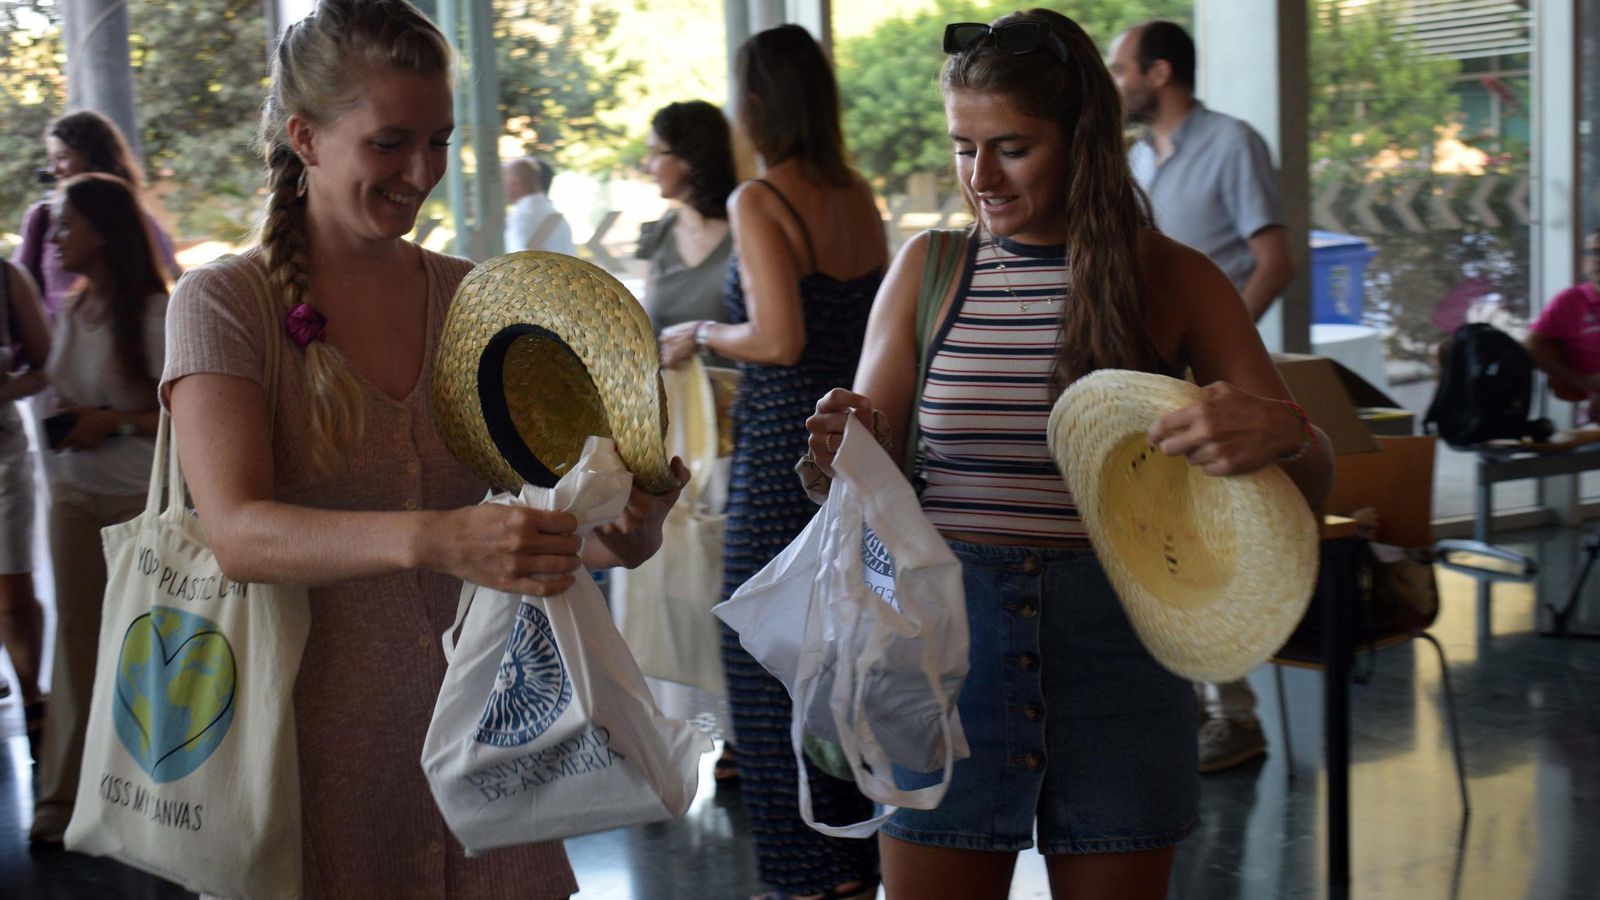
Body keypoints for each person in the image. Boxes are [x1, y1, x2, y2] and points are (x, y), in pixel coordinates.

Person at [803, 11, 1332, 899]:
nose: (981, 177)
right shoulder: (928, 271)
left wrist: (1286, 434)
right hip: (945, 655)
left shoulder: (1174, 277)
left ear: (1083, 139)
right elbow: (865, 487)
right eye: (963, 147)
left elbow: (1307, 489)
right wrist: (835, 453)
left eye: (1010, 147)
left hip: (1121, 654)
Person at [159, 1, 681, 894]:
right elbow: (238, 532)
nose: (421, 172)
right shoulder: (223, 304)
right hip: (314, 754)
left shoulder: (475, 299)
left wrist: (622, 531)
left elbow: (521, 529)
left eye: (438, 141)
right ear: (306, 138)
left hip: (501, 753)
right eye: (391, 142)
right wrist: (435, 537)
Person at [658, 23, 888, 900]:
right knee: (840, 663)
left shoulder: (762, 201)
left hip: (783, 451)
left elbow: (779, 337)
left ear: (758, 103)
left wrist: (700, 332)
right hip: (850, 452)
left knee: (763, 660)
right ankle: (854, 866)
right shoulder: (857, 195)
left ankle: (802, 879)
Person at [1109, 19, 1297, 772]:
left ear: (1158, 73)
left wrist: (1220, 344)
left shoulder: (1233, 142)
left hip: (1210, 391)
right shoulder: (1135, 160)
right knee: (1161, 545)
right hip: (1150, 393)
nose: (1115, 79)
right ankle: (1180, 709)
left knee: (1216, 549)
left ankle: (1238, 717)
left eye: (1122, 67)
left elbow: (1274, 261)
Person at [29, 173, 168, 843]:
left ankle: (148, 798)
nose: (53, 235)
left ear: (104, 231)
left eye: (66, 222)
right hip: (73, 496)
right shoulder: (74, 309)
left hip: (137, 501)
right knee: (76, 643)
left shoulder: (153, 315)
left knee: (142, 648)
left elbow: (177, 417)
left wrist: (108, 421)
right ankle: (59, 800)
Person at [11, 110, 180, 320]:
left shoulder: (137, 221)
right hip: (50, 346)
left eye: (62, 157)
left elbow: (173, 280)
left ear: (94, 156)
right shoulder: (41, 220)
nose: (54, 170)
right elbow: (18, 290)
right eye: (51, 160)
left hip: (123, 340)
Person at [0, 258, 51, 762]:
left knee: (13, 591)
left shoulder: (6, 276)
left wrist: (2, 390)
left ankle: (33, 697)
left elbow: (43, 366)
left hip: (3, 453)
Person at [637, 101, 736, 337]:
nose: (647, 168)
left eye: (655, 153)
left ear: (688, 156)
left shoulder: (747, 230)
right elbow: (644, 328)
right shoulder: (658, 234)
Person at [1526, 229, 1600, 423]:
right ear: (1584, 261)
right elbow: (1531, 346)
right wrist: (1578, 380)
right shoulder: (1569, 301)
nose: (1598, 260)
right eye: (1594, 253)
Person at [503, 156, 577, 255]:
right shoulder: (552, 212)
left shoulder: (523, 217)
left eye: (503, 181)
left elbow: (520, 265)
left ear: (517, 185)